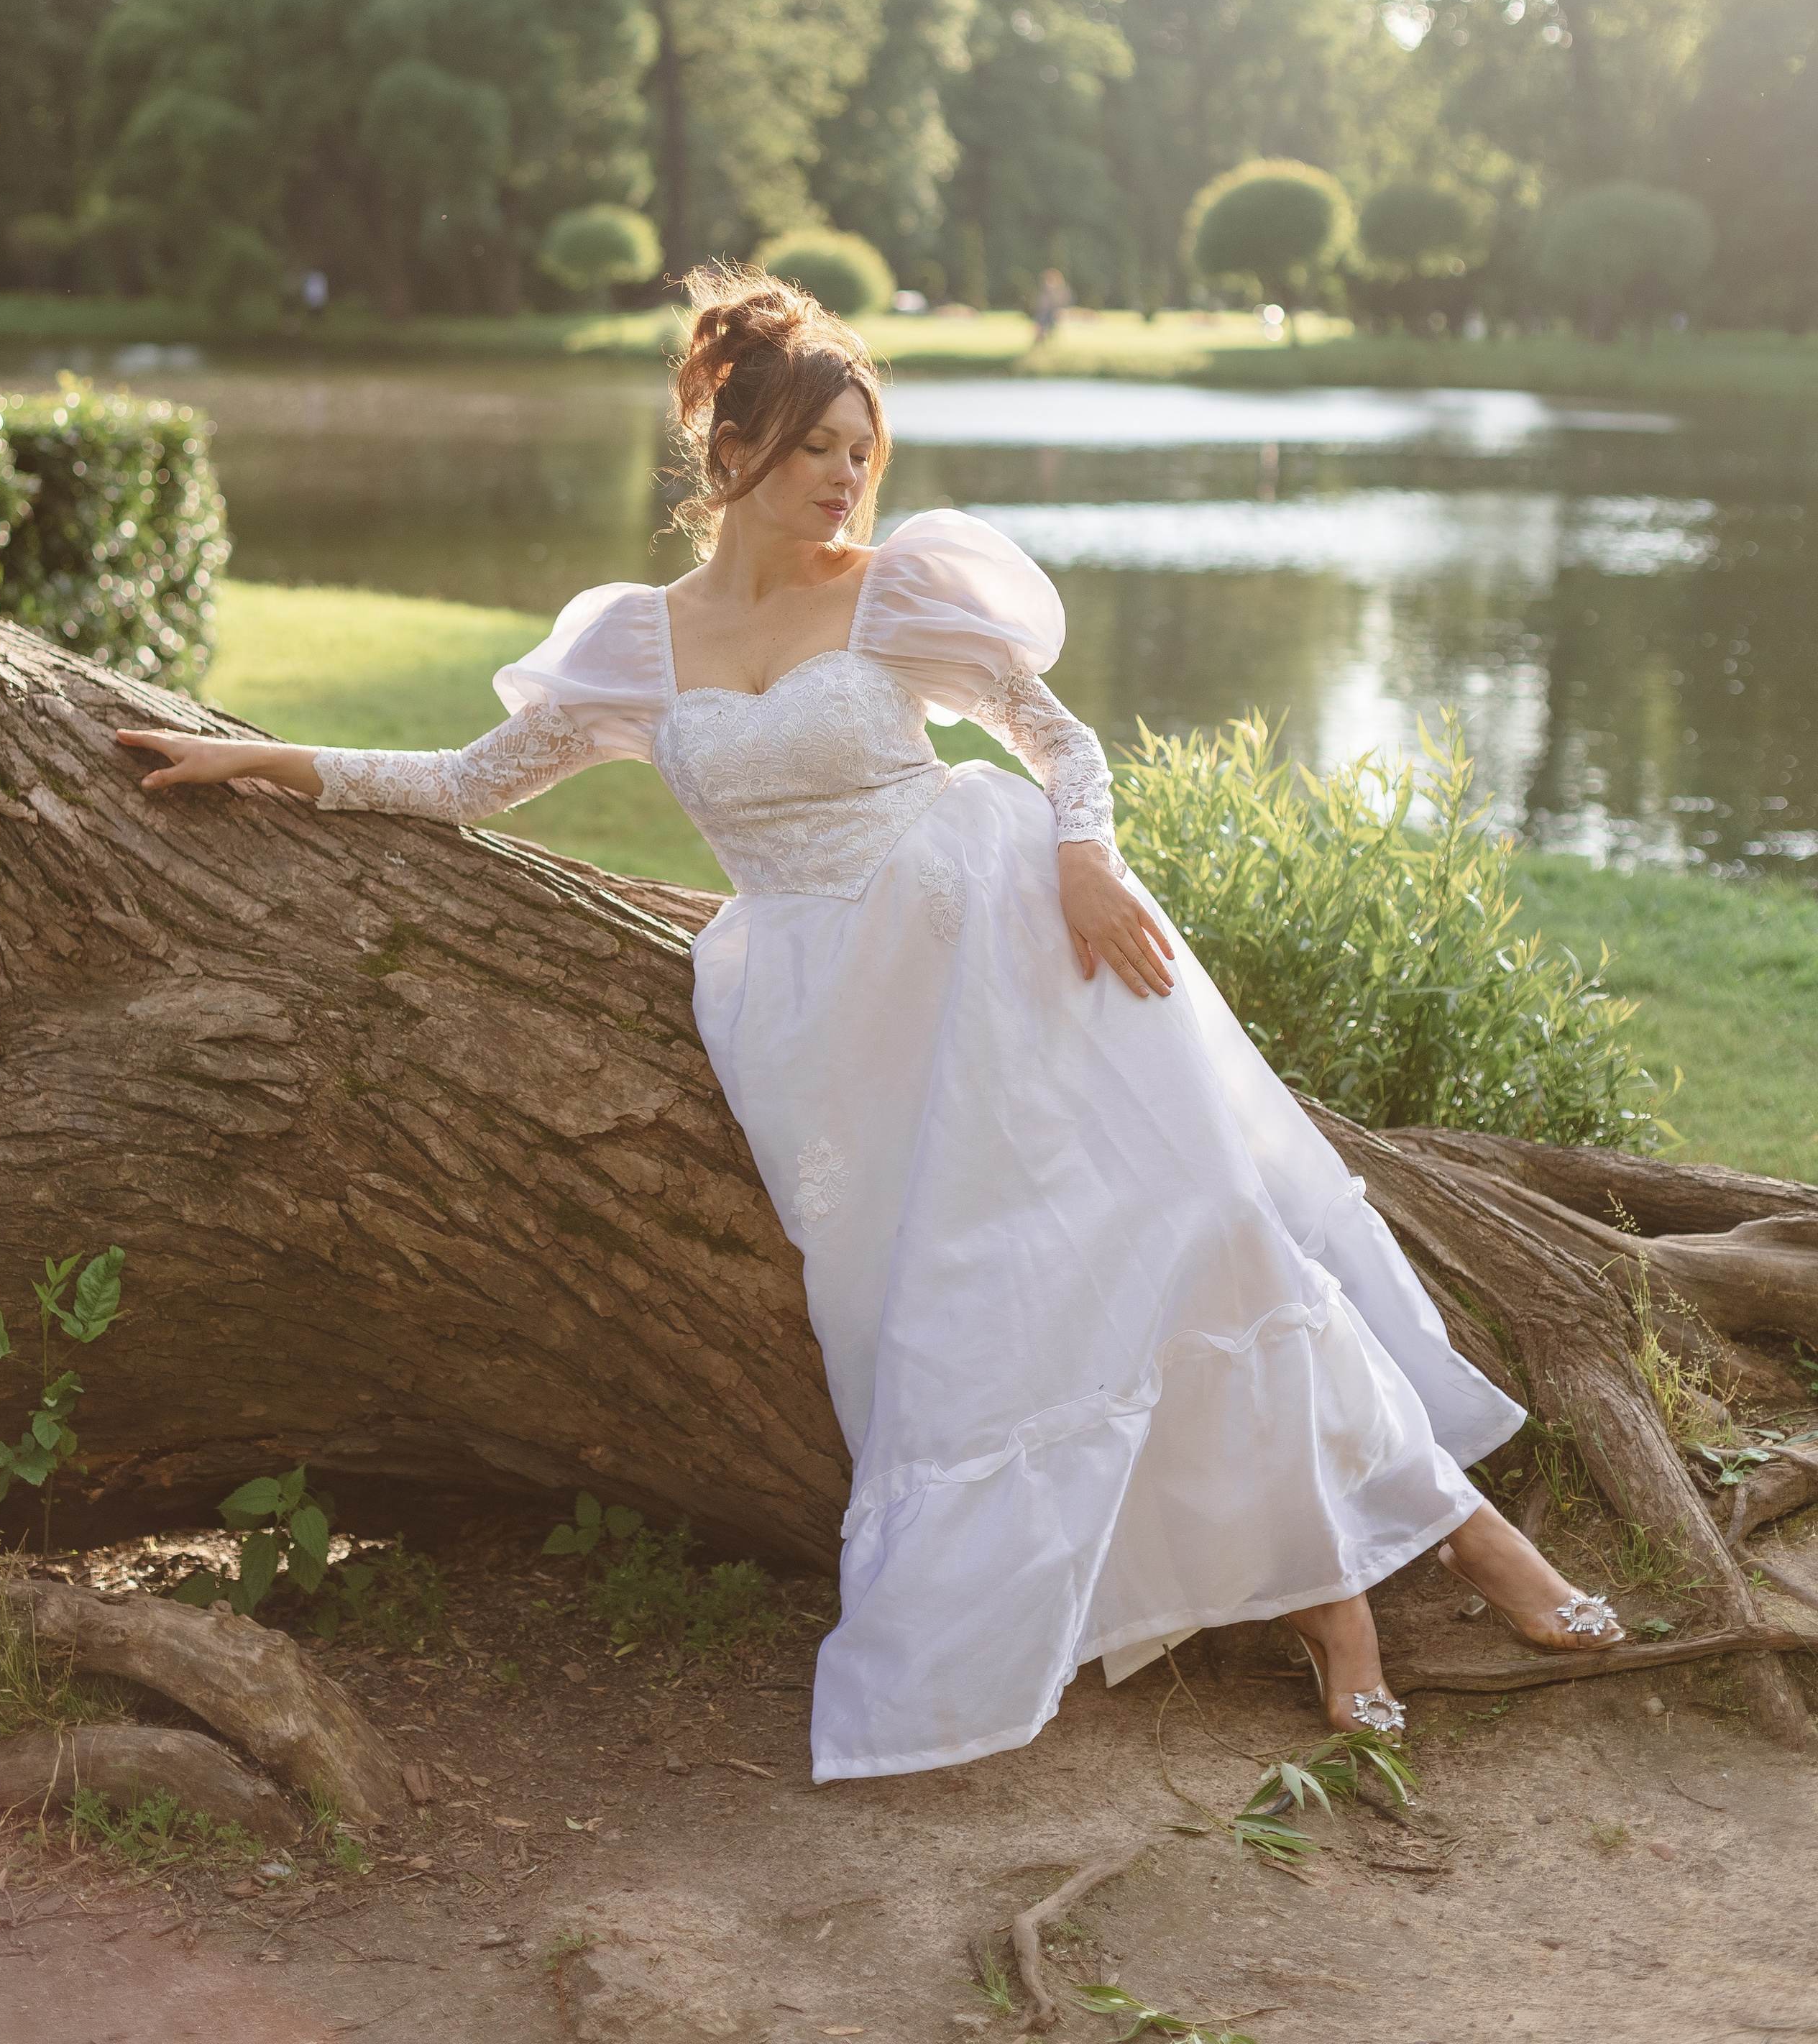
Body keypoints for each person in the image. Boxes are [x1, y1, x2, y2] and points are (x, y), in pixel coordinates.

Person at [116, 267, 1620, 1784]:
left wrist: (1084, 858)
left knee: (1205, 1227)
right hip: (831, 1027)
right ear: (732, 458)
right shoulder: (638, 642)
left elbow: (1053, 733)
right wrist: (258, 762)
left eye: (861, 449)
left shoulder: (891, 589)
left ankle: (1432, 1565)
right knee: (1000, 1314)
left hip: (1007, 943)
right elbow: (462, 780)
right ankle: (1316, 1599)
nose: (849, 477)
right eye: (822, 448)